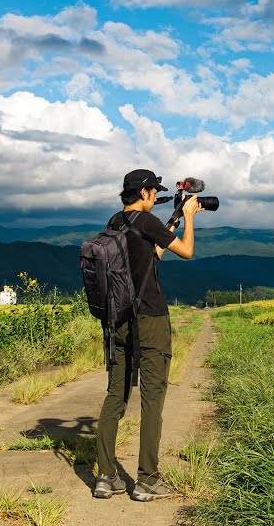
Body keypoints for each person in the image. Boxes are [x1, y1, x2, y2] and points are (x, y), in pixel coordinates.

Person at [93, 168, 203, 501]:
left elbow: (153, 254)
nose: (155, 197)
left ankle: (105, 477)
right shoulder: (146, 220)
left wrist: (172, 221)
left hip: (119, 320)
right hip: (150, 318)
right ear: (143, 193)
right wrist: (189, 216)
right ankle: (147, 480)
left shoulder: (115, 222)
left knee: (115, 396)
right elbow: (187, 252)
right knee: (152, 398)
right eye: (153, 192)